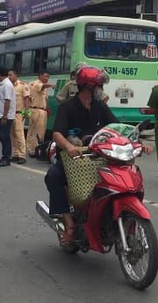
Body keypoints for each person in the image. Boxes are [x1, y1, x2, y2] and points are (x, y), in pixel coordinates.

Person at [44, 65, 117, 246]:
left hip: (99, 157)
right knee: (53, 176)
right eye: (99, 85)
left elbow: (116, 127)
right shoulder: (67, 107)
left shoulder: (100, 106)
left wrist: (135, 140)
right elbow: (57, 134)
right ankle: (69, 223)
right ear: (88, 86)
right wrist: (68, 147)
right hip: (74, 160)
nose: (101, 89)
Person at [0, 67, 16, 167]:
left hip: (5, 116)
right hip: (0, 115)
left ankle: (7, 158)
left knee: (5, 137)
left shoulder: (7, 85)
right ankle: (4, 156)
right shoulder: (4, 84)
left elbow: (7, 101)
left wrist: (5, 116)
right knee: (2, 137)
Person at [27, 71, 56, 157]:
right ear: (40, 76)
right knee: (33, 131)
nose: (47, 78)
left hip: (42, 111)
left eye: (48, 77)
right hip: (35, 110)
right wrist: (51, 85)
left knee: (41, 132)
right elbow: (42, 86)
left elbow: (45, 99)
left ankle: (38, 149)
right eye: (45, 76)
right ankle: (31, 150)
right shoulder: (35, 84)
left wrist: (47, 108)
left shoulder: (44, 87)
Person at [8, 70, 30, 164]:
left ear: (16, 75)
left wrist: (27, 113)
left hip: (19, 113)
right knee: (12, 135)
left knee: (19, 134)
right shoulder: (8, 86)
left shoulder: (22, 85)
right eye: (8, 75)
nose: (9, 77)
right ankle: (16, 154)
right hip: (10, 114)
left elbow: (27, 100)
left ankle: (22, 155)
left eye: (11, 75)